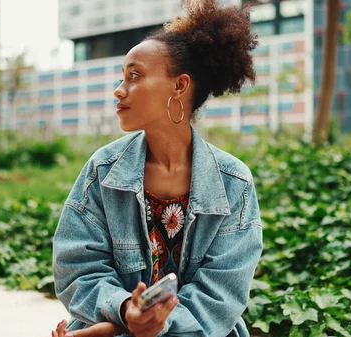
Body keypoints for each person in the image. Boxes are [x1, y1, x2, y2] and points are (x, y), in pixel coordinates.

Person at [52, 0, 263, 336]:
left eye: (134, 76)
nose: (119, 90)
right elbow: (77, 267)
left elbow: (220, 296)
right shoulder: (102, 170)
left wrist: (153, 326)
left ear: (179, 86)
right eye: (123, 77)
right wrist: (126, 310)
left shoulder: (233, 182)